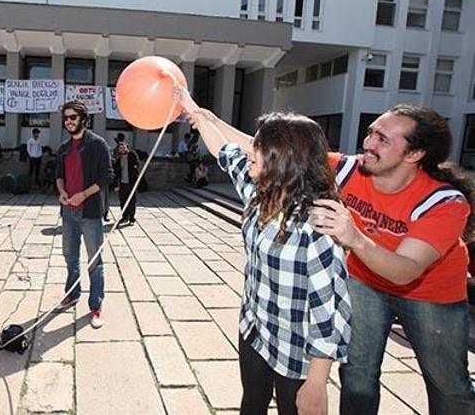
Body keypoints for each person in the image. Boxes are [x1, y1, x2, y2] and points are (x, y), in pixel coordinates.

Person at [184, 93, 351, 415]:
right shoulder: (258, 195)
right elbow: (224, 151)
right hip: (254, 326)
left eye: (257, 147)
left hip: (296, 348)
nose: (249, 150)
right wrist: (192, 107)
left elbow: (330, 312)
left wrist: (317, 383)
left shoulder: (315, 227)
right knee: (252, 403)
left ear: (282, 159)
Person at [308, 104, 475, 414]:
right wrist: (200, 114)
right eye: (371, 132)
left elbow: (405, 271)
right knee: (357, 372)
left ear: (414, 155)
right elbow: (272, 148)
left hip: (431, 294)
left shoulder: (445, 202)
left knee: (448, 385)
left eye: (382, 139)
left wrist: (354, 237)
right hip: (364, 280)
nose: (368, 144)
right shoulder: (348, 169)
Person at [55, 100, 114, 329]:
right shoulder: (63, 148)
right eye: (66, 118)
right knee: (70, 256)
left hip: (89, 212)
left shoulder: (97, 144)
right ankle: (72, 293)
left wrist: (84, 194)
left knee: (94, 261)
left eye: (73, 117)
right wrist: (61, 192)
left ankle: (96, 305)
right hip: (68, 213)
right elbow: (59, 176)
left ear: (83, 119)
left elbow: (107, 176)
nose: (68, 121)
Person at [113, 141, 140, 225]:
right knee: (123, 201)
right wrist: (116, 185)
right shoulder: (118, 160)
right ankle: (125, 217)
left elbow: (137, 164)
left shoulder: (132, 155)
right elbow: (116, 173)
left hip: (131, 182)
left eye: (124, 147)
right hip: (123, 183)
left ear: (127, 147)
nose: (122, 149)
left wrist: (135, 169)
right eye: (120, 148)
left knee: (132, 200)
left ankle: (132, 218)